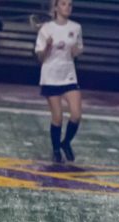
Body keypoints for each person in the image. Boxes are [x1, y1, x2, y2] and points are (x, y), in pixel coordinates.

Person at [34, 0, 83, 164]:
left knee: (76, 114)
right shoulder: (46, 29)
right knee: (58, 117)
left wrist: (77, 51)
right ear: (56, 7)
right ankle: (56, 150)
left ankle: (66, 142)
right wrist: (47, 47)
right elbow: (40, 58)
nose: (67, 7)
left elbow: (78, 49)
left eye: (69, 4)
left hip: (69, 75)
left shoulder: (76, 28)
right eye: (63, 4)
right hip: (50, 76)